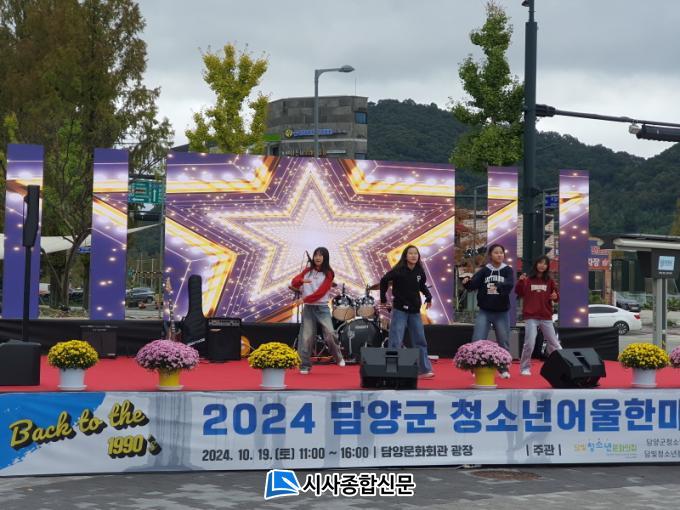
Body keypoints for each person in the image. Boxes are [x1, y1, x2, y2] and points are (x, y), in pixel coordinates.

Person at [379, 245, 434, 378]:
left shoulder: (419, 271)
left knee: (420, 340)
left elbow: (421, 286)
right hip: (400, 309)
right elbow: (384, 280)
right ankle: (391, 370)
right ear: (405, 256)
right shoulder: (398, 270)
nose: (413, 256)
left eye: (416, 253)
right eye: (410, 253)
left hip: (415, 310)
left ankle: (424, 370)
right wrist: (383, 298)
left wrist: (428, 296)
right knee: (395, 340)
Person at [461, 243, 514, 379]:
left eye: (501, 252)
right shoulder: (484, 271)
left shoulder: (508, 270)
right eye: (496, 252)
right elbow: (473, 284)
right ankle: (476, 368)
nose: (499, 255)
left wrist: (498, 285)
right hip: (484, 311)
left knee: (503, 341)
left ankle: (503, 369)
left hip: (501, 312)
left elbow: (509, 284)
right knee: (477, 340)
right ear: (490, 255)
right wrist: (466, 282)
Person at [290, 247, 345, 374]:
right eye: (316, 255)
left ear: (325, 257)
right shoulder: (307, 271)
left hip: (322, 308)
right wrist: (301, 280)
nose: (317, 257)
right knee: (306, 337)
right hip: (309, 308)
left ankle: (338, 356)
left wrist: (304, 299)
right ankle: (304, 365)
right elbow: (294, 282)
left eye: (320, 255)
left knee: (330, 334)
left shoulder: (329, 273)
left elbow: (321, 292)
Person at [515, 255, 562, 376]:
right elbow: (519, 292)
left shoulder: (550, 281)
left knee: (555, 344)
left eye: (545, 263)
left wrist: (555, 296)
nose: (542, 265)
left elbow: (556, 297)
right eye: (540, 263)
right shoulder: (528, 280)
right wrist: (520, 281)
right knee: (529, 343)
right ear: (536, 264)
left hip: (546, 316)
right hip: (531, 316)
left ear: (547, 266)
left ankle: (563, 366)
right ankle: (524, 367)